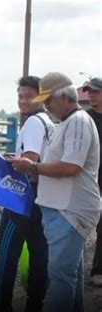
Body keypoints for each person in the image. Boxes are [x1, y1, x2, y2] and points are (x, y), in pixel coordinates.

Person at [9, 72, 100, 312]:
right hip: (63, 209)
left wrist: (33, 167)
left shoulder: (77, 122)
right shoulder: (68, 122)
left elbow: (71, 166)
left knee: (60, 277)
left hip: (69, 209)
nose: (46, 105)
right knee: (71, 276)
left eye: (48, 100)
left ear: (64, 97)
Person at [0, 76, 54, 312]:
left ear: (41, 97)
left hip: (21, 198)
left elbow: (30, 158)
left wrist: (9, 162)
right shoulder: (49, 121)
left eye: (28, 96)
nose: (22, 101)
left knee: (7, 253)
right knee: (39, 253)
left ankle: (1, 303)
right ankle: (35, 303)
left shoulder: (32, 123)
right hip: (41, 198)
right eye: (20, 96)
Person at [82, 77, 102, 287]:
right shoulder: (85, 118)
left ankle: (98, 269)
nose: (92, 94)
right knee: (82, 221)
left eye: (96, 91)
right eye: (90, 91)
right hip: (88, 177)